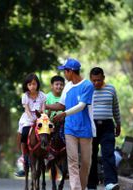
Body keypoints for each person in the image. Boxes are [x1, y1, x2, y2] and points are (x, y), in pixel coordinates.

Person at [46, 58, 95, 190]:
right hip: (70, 129)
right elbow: (61, 105)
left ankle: (81, 187)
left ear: (71, 71)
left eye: (65, 71)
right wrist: (46, 105)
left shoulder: (87, 85)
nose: (64, 75)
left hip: (85, 129)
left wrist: (64, 114)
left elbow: (81, 106)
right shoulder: (67, 87)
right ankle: (76, 188)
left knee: (85, 162)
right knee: (72, 161)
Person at [87, 67, 121, 190]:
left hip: (107, 126)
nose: (96, 83)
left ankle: (110, 183)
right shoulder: (87, 90)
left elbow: (115, 107)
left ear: (103, 78)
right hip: (91, 126)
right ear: (90, 79)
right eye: (94, 80)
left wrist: (118, 124)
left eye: (99, 80)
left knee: (108, 154)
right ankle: (91, 185)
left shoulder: (111, 89)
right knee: (91, 155)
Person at [16, 73, 46, 176]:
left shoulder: (42, 95)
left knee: (48, 131)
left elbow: (43, 108)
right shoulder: (25, 96)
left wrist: (40, 117)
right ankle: (25, 156)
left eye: (34, 84)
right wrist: (32, 119)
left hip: (40, 117)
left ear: (37, 84)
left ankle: (48, 152)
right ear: (26, 86)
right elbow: (27, 110)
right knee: (24, 134)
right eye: (29, 84)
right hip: (28, 118)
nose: (32, 86)